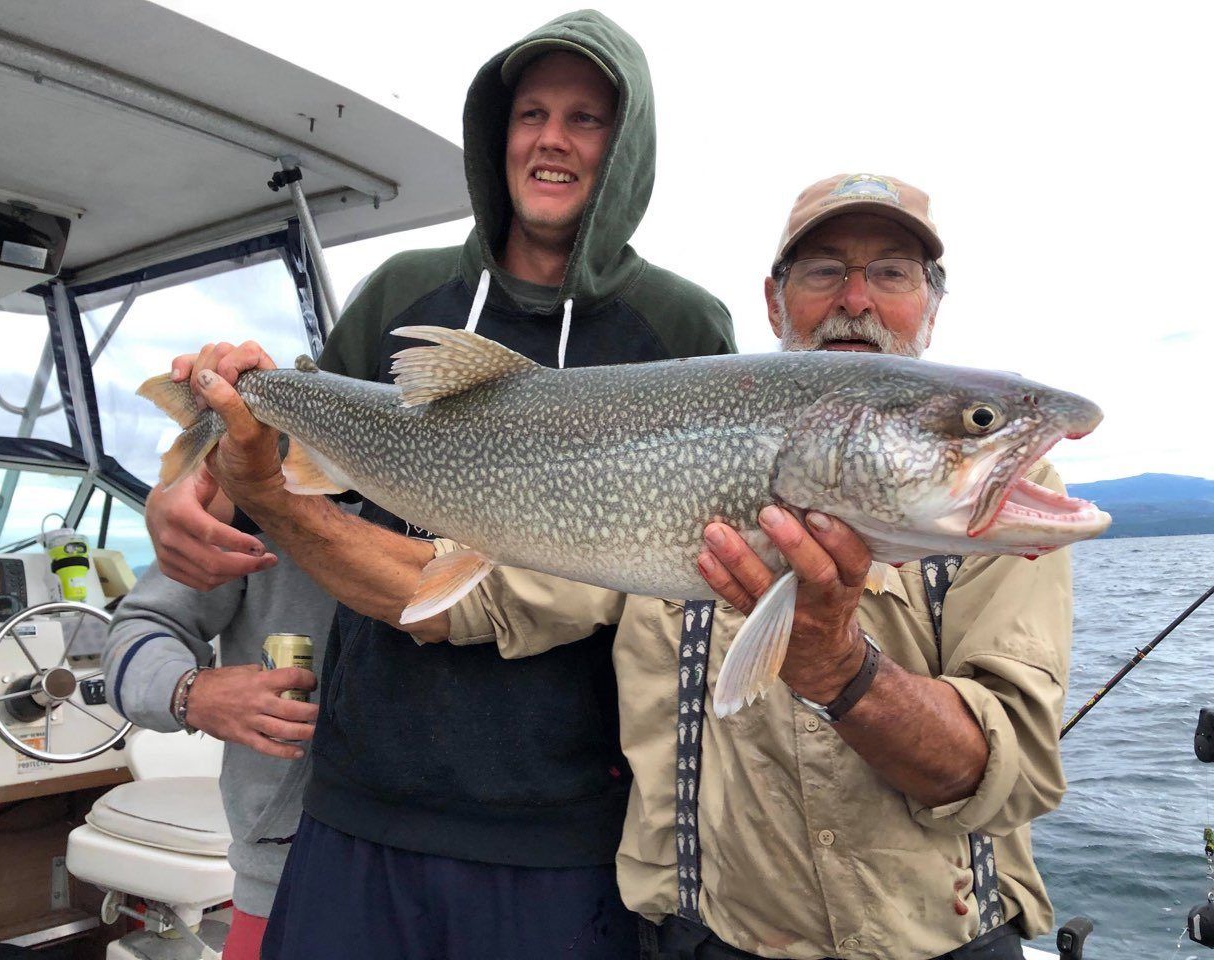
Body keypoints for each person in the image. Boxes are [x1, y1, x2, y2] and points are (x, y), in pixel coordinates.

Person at [148, 10, 735, 959]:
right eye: (531, 112)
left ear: (625, 148)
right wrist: (178, 496)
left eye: (586, 118)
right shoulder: (400, 293)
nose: (551, 139)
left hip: (571, 829)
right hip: (361, 803)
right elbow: (267, 465)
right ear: (496, 134)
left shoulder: (681, 325)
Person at [429, 174, 1072, 959]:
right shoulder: (669, 450)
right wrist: (285, 500)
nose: (857, 299)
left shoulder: (1005, 495)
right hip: (706, 937)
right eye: (824, 270)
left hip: (944, 941)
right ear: (775, 302)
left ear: (933, 306)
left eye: (893, 272)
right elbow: (465, 604)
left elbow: (1007, 769)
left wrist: (837, 667)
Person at [103, 525, 340, 960]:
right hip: (286, 873)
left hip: (488, 857)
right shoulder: (254, 491)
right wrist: (189, 690)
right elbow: (143, 627)